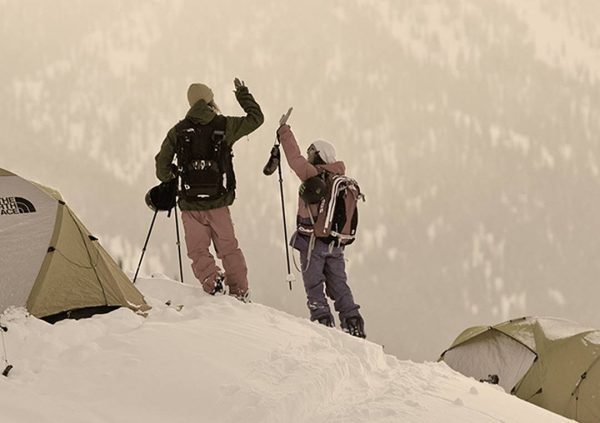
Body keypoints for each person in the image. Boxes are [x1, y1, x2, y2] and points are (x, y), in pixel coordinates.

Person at [155, 78, 263, 301]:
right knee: (228, 248)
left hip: (190, 204)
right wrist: (243, 93)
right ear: (210, 102)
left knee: (197, 250)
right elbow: (256, 119)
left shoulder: (178, 131)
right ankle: (240, 292)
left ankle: (212, 281)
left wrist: (172, 175)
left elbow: (161, 167)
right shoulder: (225, 126)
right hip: (218, 201)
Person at [276, 115, 366, 338]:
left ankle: (322, 323)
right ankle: (353, 321)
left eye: (311, 153)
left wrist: (283, 130)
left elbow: (294, 158)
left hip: (312, 243)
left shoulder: (313, 174)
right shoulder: (341, 179)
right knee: (339, 284)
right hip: (336, 244)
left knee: (314, 285)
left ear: (317, 155)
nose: (308, 156)